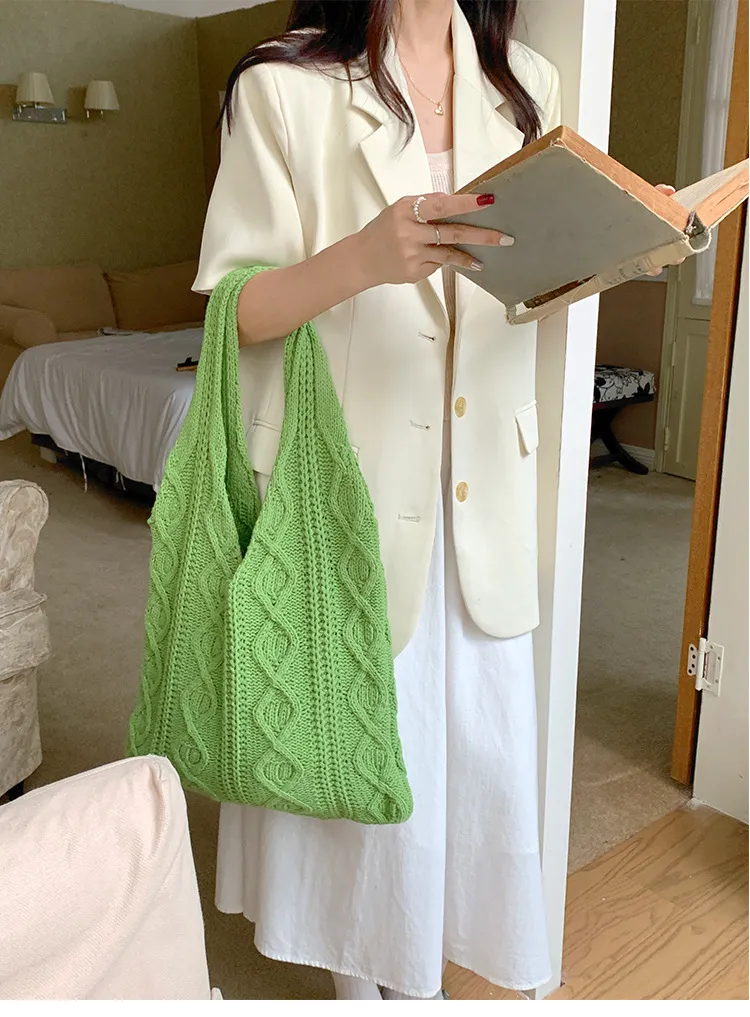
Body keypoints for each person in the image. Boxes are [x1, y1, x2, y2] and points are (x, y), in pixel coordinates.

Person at [193, 0, 671, 1001]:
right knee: (346, 734)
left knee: (470, 754)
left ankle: (421, 961)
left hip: (481, 479)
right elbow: (236, 313)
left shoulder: (525, 84)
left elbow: (529, 283)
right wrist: (361, 260)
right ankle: (358, 978)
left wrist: (628, 244)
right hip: (343, 481)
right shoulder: (282, 86)